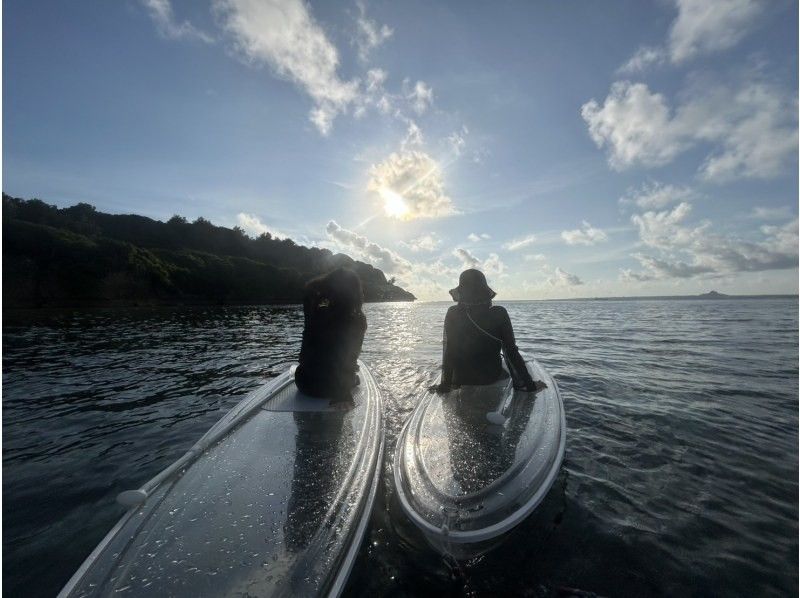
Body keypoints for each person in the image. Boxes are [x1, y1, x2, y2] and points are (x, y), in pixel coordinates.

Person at [431, 269, 544, 394]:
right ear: (485, 290)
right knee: (505, 369)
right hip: (488, 377)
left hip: (460, 378)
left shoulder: (452, 312)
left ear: (461, 291)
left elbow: (450, 350)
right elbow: (510, 351)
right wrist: (529, 385)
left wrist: (445, 384)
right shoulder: (499, 313)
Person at [295, 268, 367, 401]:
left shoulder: (315, 311)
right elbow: (349, 359)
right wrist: (343, 394)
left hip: (304, 382)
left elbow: (309, 289)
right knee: (355, 379)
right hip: (331, 387)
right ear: (356, 293)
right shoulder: (357, 320)